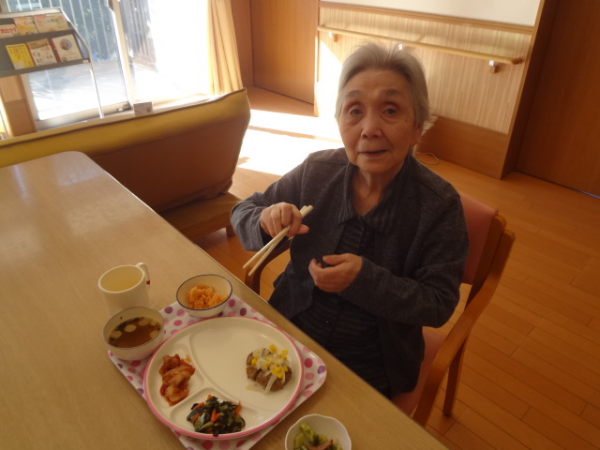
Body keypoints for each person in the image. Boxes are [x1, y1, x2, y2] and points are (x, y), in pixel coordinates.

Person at [231, 42, 469, 401]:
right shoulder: (317, 171)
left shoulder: (438, 206)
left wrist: (364, 280)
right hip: (288, 329)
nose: (369, 128)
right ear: (340, 121)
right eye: (354, 110)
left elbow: (438, 304)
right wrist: (265, 219)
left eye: (390, 110)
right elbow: (242, 210)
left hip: (373, 362)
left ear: (417, 128)